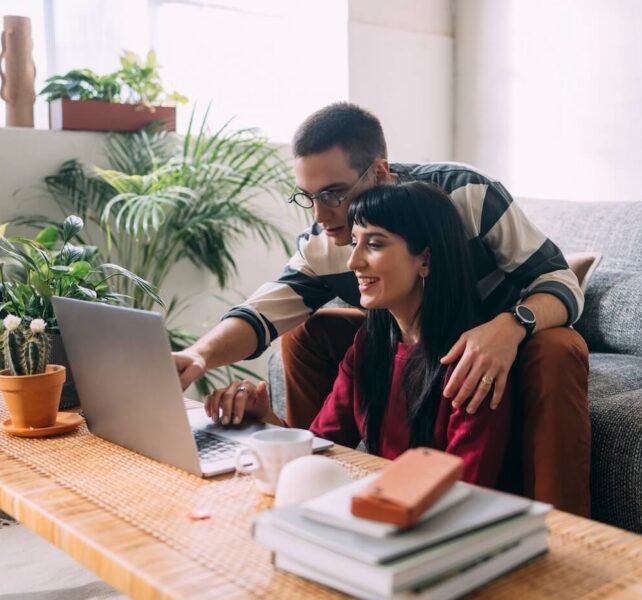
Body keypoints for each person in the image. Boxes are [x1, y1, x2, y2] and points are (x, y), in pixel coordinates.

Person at [174, 103, 590, 515]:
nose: (321, 215)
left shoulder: (468, 195)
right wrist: (200, 357)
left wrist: (509, 327)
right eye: (309, 198)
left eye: (334, 193)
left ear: (378, 171)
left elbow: (559, 280)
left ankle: (568, 530)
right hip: (406, 328)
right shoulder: (329, 240)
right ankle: (304, 486)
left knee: (557, 349)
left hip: (497, 335)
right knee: (308, 331)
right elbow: (264, 311)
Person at [207, 183, 512, 487]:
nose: (353, 262)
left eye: (375, 244)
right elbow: (319, 447)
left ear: (426, 259)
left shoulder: (474, 363)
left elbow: (467, 491)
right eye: (354, 243)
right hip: (381, 507)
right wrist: (262, 417)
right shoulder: (370, 345)